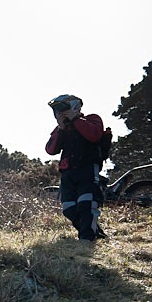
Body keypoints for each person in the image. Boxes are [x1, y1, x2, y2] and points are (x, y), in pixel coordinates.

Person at [45, 94, 107, 241]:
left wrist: (75, 118)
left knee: (87, 205)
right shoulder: (62, 128)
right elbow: (50, 149)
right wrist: (61, 128)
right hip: (68, 173)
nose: (60, 114)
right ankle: (95, 232)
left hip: (87, 170)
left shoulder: (92, 119)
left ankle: (86, 241)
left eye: (62, 110)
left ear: (75, 106)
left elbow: (94, 135)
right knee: (69, 208)